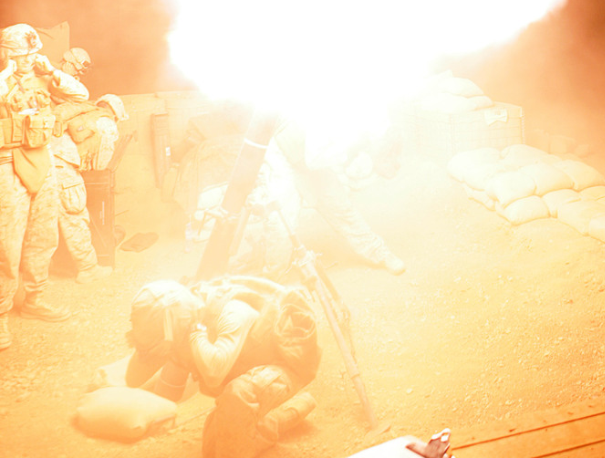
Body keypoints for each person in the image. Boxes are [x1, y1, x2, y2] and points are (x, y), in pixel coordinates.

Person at [125, 275, 321, 458]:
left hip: (285, 364)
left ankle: (273, 411)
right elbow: (148, 385)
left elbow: (214, 373)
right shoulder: (180, 328)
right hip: (246, 372)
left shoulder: (231, 311)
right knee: (213, 448)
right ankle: (288, 414)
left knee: (239, 395)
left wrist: (196, 333)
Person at [0, 24, 89, 349]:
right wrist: (6, 74)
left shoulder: (43, 75)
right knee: (6, 246)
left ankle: (35, 299)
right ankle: (0, 314)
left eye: (31, 54)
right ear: (8, 52)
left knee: (43, 236)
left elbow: (81, 95)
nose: (26, 60)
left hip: (42, 162)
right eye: (20, 54)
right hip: (6, 167)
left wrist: (51, 71)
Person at [271, 118, 406, 275]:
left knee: (339, 205)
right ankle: (273, 274)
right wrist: (347, 155)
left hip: (307, 150)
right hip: (279, 150)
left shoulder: (367, 127)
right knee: (281, 217)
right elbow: (314, 159)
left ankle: (378, 252)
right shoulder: (330, 120)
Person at [52, 92, 127, 282]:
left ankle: (47, 268)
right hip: (62, 167)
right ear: (116, 114)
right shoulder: (107, 123)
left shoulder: (82, 114)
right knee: (75, 215)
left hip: (40, 163)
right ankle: (87, 269)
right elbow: (101, 166)